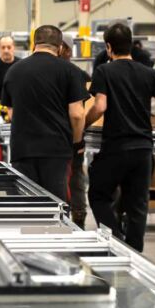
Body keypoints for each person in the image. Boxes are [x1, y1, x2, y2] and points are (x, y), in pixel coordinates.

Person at [85, 22, 155, 252]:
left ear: (108, 47)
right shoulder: (149, 73)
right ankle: (135, 254)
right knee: (137, 205)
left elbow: (100, 106)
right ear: (131, 45)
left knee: (98, 195)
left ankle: (115, 243)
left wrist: (84, 123)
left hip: (116, 147)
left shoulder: (104, 71)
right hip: (143, 149)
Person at [0, 25, 85, 202]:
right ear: (60, 47)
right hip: (56, 151)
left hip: (22, 150)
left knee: (27, 205)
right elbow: (77, 114)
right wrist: (76, 144)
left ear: (33, 45)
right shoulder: (70, 71)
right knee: (55, 206)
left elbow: (11, 113)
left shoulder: (14, 71)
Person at [60, 40, 92, 228]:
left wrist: (78, 140)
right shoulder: (79, 74)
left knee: (74, 176)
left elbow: (80, 112)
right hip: (72, 135)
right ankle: (76, 216)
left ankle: (75, 215)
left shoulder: (78, 75)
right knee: (74, 175)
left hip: (68, 135)